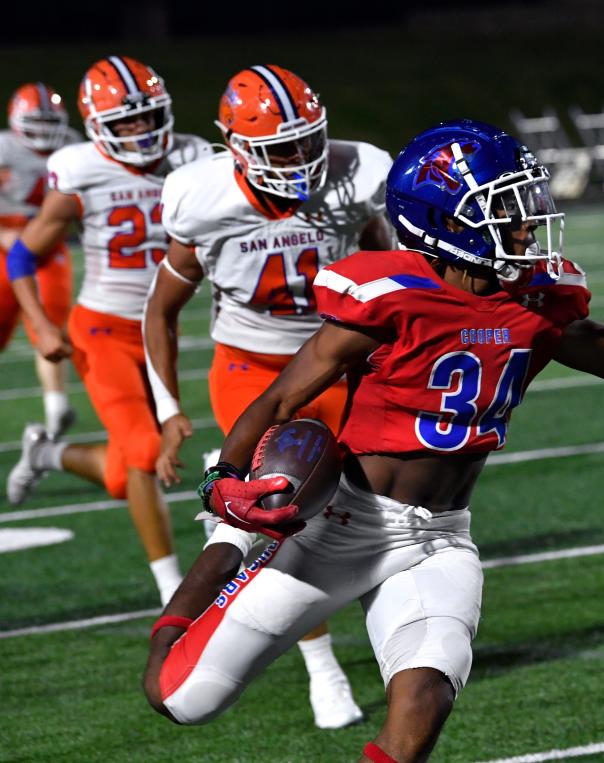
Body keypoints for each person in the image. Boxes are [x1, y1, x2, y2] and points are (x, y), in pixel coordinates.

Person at [142, 120, 604, 761]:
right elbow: (279, 398)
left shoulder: (534, 300)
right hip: (343, 522)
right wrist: (225, 480)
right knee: (180, 697)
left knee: (424, 701)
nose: (527, 220)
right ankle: (228, 547)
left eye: (524, 201)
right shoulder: (393, 296)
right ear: (446, 223)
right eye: (505, 208)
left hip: (438, 535)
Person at [142, 64, 394, 729]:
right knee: (280, 513)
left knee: (379, 502)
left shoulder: (357, 173)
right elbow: (161, 310)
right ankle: (322, 665)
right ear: (235, 146)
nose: (301, 158)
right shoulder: (201, 198)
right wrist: (168, 411)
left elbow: (387, 265)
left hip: (337, 361)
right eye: (281, 147)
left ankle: (394, 632)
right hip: (251, 371)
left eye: (308, 140)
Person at [5, 56, 211, 604]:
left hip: (157, 330)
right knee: (145, 450)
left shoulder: (191, 157)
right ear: (98, 125)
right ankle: (173, 589)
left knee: (125, 475)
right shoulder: (80, 170)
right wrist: (43, 326)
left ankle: (47, 454)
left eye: (148, 117)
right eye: (127, 121)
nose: (141, 130)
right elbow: (22, 257)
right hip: (103, 330)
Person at [0, 82, 82, 438]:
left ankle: (55, 410)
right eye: (37, 122)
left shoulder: (72, 144)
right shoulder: (3, 147)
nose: (46, 132)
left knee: (50, 326)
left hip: (48, 245)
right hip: (4, 240)